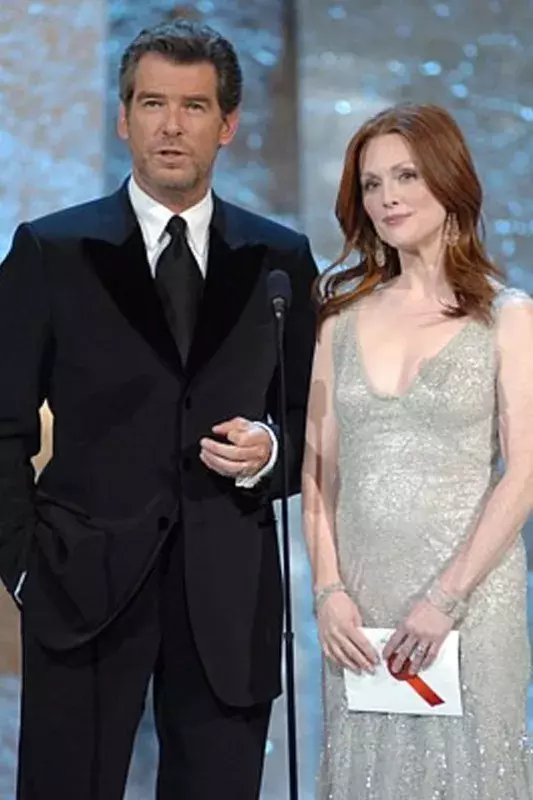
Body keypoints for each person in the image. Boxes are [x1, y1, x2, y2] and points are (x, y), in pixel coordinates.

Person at [0, 19, 318, 800]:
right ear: (123, 118)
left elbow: (309, 420)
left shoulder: (279, 259)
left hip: (227, 595)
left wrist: (272, 452)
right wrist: (23, 566)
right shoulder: (51, 250)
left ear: (227, 124)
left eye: (194, 106)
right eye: (152, 103)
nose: (171, 126)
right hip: (81, 588)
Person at [302, 102, 533, 799]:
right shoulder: (339, 320)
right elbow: (318, 476)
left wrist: (443, 600)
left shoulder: (506, 315)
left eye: (405, 176)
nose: (387, 198)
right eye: (371, 184)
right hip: (359, 614)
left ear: (448, 178)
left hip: (470, 603)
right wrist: (327, 592)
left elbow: (524, 473)